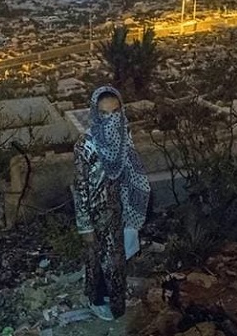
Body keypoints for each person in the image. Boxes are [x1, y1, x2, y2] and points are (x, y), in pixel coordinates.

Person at [72, 86, 151, 321]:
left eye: (116, 112)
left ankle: (114, 301)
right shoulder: (86, 145)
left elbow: (132, 172)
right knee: (98, 258)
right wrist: (85, 227)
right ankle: (97, 300)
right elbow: (81, 189)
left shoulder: (123, 137)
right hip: (96, 215)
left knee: (117, 260)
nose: (111, 119)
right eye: (105, 114)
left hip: (120, 210)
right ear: (96, 114)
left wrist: (133, 207)